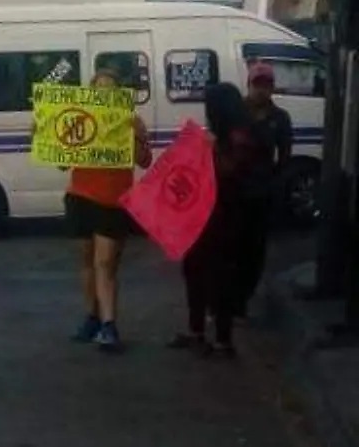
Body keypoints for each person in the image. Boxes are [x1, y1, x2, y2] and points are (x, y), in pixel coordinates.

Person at [169, 82, 262, 358]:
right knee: (195, 272)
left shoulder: (240, 136)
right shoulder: (224, 134)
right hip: (204, 218)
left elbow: (233, 172)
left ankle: (223, 340)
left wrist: (211, 149)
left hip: (225, 218)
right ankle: (196, 331)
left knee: (220, 279)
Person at [63, 70, 152, 352]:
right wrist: (45, 135)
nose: (104, 94)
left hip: (114, 200)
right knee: (88, 262)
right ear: (91, 93)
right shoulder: (79, 119)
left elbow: (144, 161)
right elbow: (63, 164)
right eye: (98, 89)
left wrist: (138, 137)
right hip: (80, 197)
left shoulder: (131, 121)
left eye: (110, 89)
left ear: (118, 94)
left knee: (105, 263)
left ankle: (109, 325)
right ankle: (93, 317)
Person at [237, 62, 292, 319]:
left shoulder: (280, 118)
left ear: (272, 88)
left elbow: (285, 158)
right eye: (256, 84)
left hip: (261, 194)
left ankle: (244, 296)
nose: (260, 90)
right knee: (230, 250)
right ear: (248, 85)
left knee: (255, 252)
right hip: (233, 193)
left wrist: (277, 191)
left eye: (265, 85)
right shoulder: (235, 113)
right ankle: (230, 301)